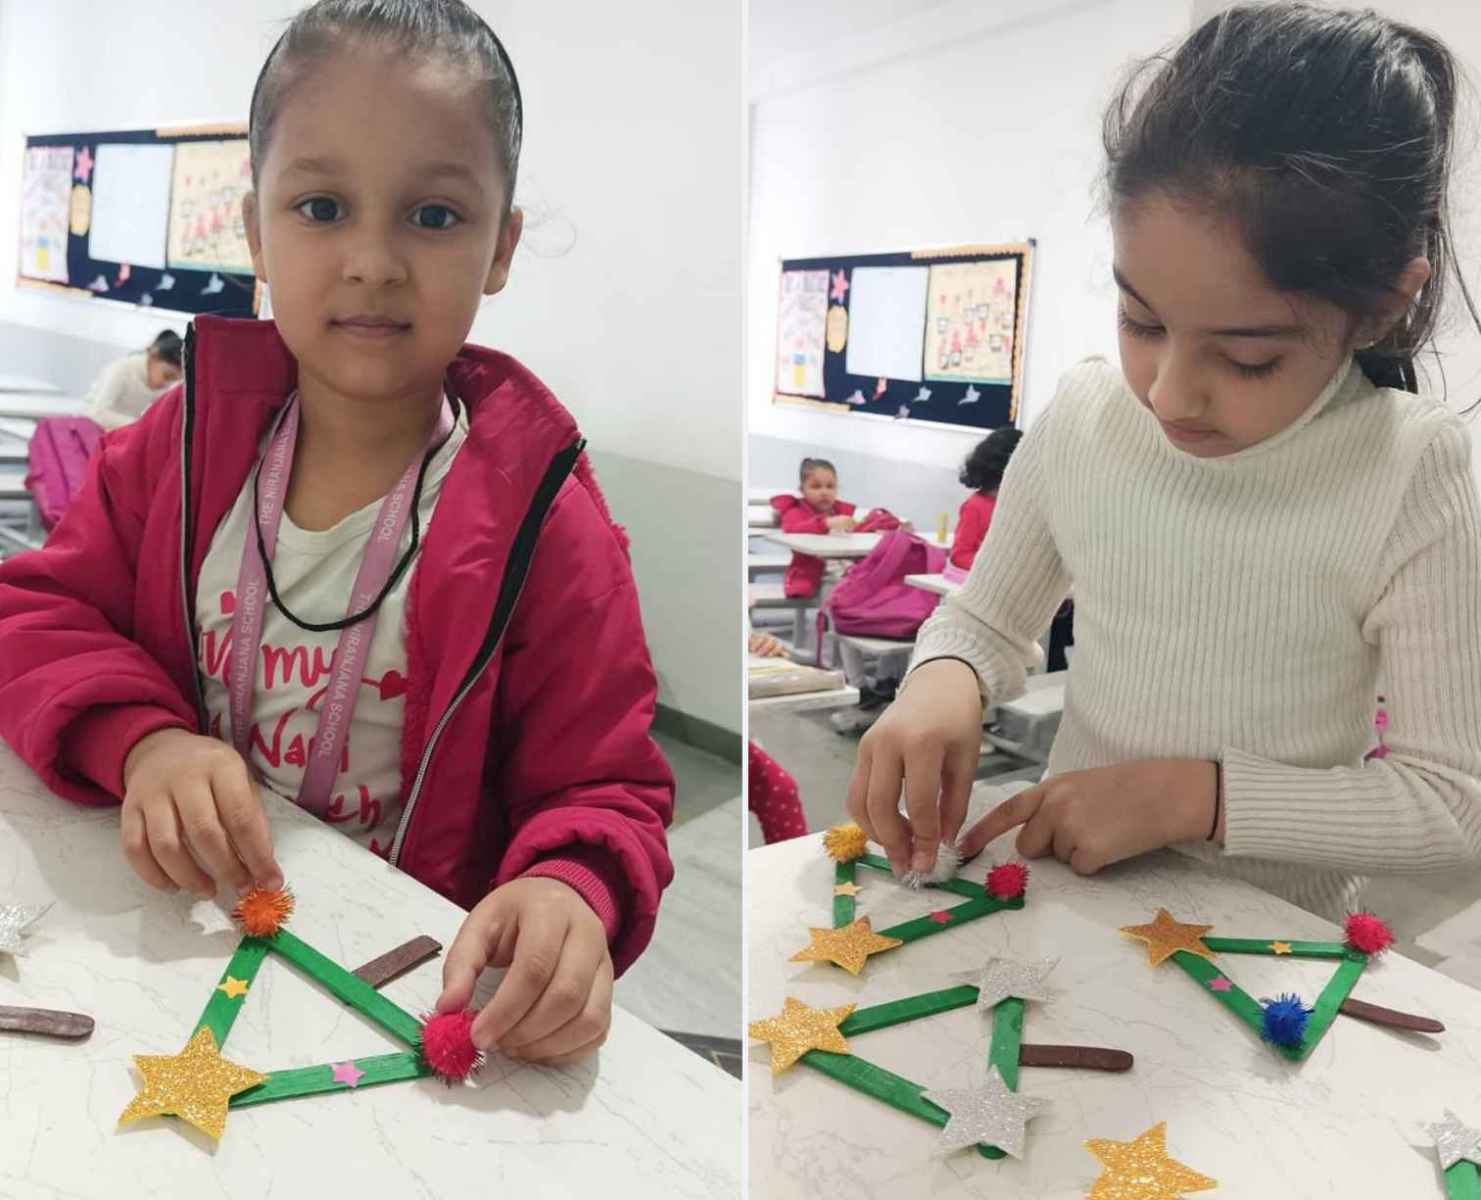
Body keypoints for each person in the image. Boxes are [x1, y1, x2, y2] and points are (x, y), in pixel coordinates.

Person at [0, 0, 674, 1067]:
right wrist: (143, 740)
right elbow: (33, 616)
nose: (372, 260)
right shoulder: (181, 446)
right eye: (321, 207)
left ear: (499, 248)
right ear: (255, 231)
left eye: (433, 216)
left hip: (391, 994)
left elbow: (604, 787)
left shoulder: (543, 523)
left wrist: (570, 886)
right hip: (169, 931)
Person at [848, 3, 1481, 925]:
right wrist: (943, 679)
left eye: (1247, 357)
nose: (1170, 396)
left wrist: (1200, 797)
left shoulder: (1411, 468)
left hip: (1270, 952)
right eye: (1140, 321)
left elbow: (1454, 806)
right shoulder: (1086, 418)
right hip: (1067, 912)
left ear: (1383, 306)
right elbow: (984, 618)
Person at [770, 457, 857, 597]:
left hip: (846, 567)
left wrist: (873, 528)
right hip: (811, 570)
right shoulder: (795, 510)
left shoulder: (841, 511)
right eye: (816, 486)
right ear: (802, 490)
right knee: (838, 591)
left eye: (830, 486)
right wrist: (826, 523)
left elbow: (859, 528)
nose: (824, 492)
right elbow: (792, 529)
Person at [947, 426, 1022, 579]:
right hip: (985, 580)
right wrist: (995, 566)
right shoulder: (975, 507)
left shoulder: (1022, 506)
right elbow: (959, 555)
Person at [84, 329, 183, 431]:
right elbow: (97, 413)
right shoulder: (121, 370)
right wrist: (142, 424)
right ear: (153, 357)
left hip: (121, 432)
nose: (168, 383)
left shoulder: (162, 384)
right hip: (90, 430)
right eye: (167, 376)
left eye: (175, 380)